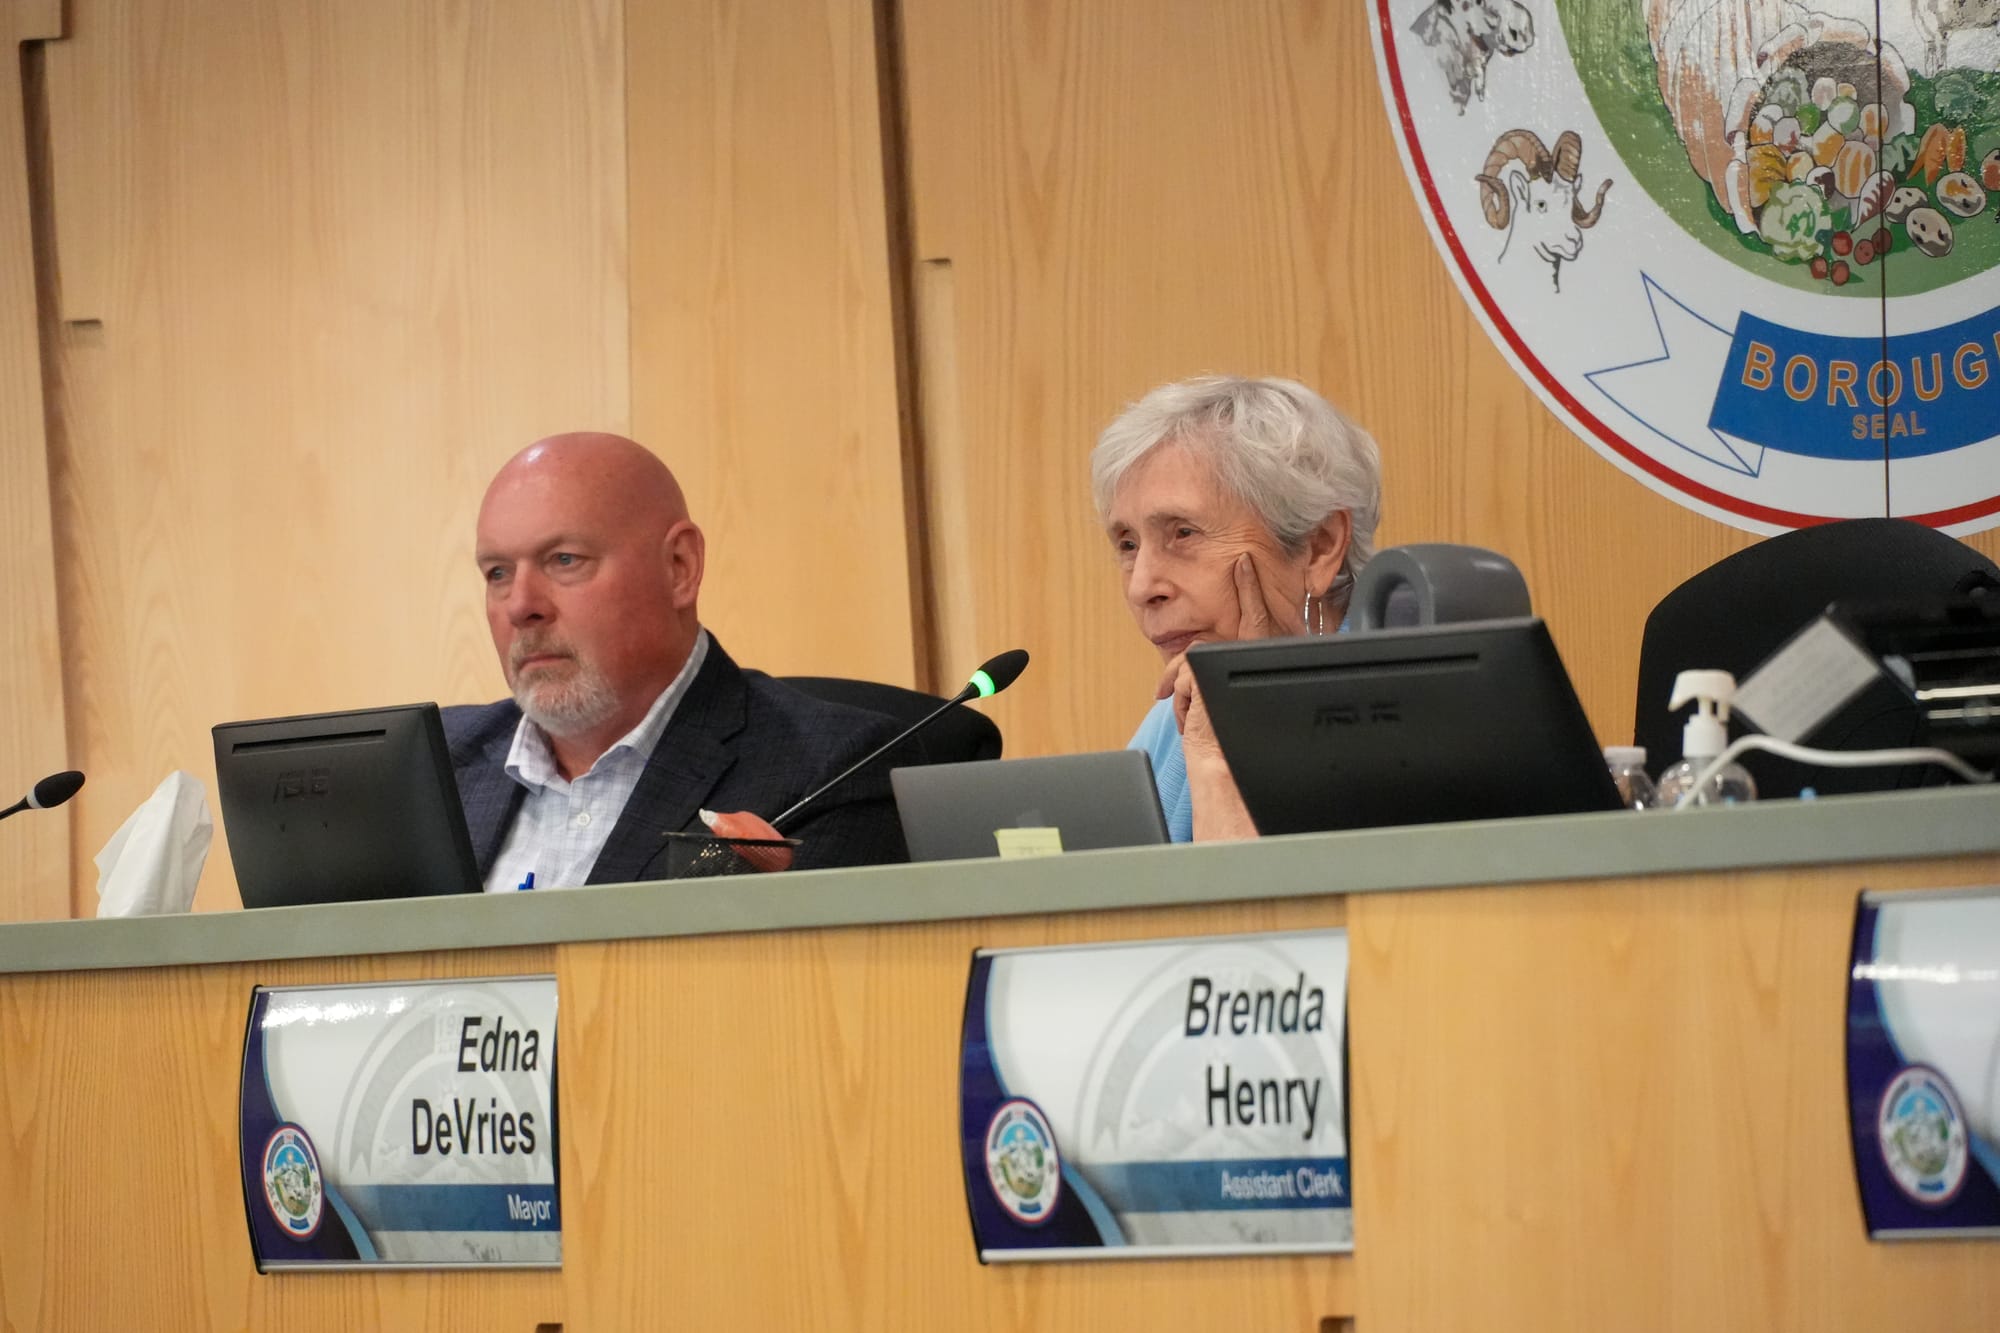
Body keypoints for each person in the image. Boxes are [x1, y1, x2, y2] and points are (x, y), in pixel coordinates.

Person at [446, 432, 908, 887]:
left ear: (679, 567)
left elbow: (822, 962)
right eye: (498, 573)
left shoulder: (833, 770)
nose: (520, 605)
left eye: (565, 559)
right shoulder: (433, 770)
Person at [1092, 376, 1383, 842]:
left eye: (1182, 533)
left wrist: (1218, 764)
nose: (1143, 586)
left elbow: (1270, 915)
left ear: (1318, 547)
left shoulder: (1400, 718)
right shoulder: (1179, 713)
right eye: (1127, 543)